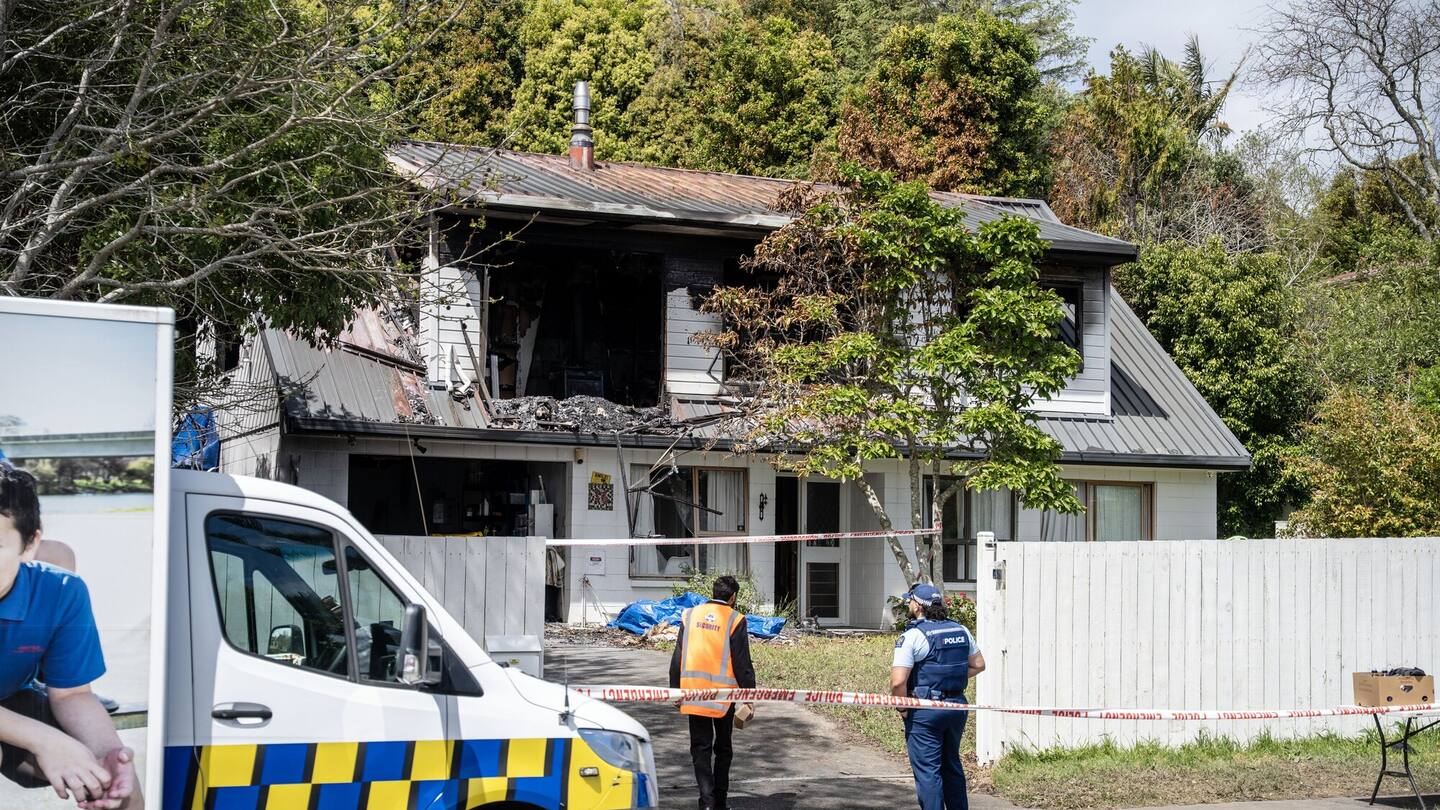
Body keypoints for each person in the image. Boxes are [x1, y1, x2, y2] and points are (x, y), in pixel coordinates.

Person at [0, 464, 140, 809]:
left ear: (30, 543)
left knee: (118, 783)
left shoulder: (61, 591)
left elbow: (72, 695)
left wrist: (108, 756)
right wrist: (45, 740)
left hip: (12, 696)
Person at [891, 583, 985, 810]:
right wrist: (949, 680)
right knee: (951, 765)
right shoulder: (960, 630)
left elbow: (898, 681)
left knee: (928, 772)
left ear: (918, 606)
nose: (909, 604)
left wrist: (903, 708)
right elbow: (979, 665)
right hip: (956, 708)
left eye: (910, 600)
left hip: (925, 710)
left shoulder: (913, 636)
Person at [669, 575, 755, 810]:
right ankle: (719, 801)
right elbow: (741, 662)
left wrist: (675, 690)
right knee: (723, 749)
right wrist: (749, 696)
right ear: (733, 597)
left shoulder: (689, 615)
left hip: (694, 693)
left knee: (700, 748)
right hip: (722, 697)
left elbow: (678, 655)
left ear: (714, 592)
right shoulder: (735, 619)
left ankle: (706, 802)